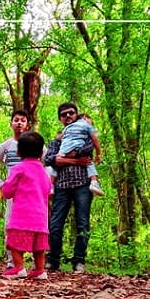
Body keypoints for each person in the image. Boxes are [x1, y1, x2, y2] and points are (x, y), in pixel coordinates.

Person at [44, 102, 96, 274]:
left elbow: (87, 150)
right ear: (60, 119)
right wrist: (74, 159)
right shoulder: (56, 141)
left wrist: (65, 157)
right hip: (61, 186)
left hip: (83, 184)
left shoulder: (86, 134)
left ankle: (79, 261)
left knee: (82, 223)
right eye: (64, 114)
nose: (68, 116)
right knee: (56, 223)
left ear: (76, 115)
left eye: (71, 113)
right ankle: (53, 260)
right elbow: (51, 159)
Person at [0, 131, 51, 280]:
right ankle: (40, 270)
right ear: (42, 152)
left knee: (15, 242)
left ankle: (18, 268)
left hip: (22, 215)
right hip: (41, 216)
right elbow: (48, 189)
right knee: (39, 246)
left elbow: (8, 191)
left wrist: (3, 189)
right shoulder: (43, 170)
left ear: (19, 151)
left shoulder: (18, 168)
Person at [0, 110, 30, 268]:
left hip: (30, 193)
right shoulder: (5, 146)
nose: (19, 123)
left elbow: (46, 163)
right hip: (12, 192)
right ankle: (12, 262)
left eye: (22, 120)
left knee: (31, 225)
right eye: (16, 120)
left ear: (27, 124)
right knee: (10, 223)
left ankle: (33, 262)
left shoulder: (34, 144)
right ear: (11, 123)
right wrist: (1, 184)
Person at [46, 112, 104, 196]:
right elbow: (49, 159)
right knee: (89, 162)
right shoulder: (86, 130)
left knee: (56, 165)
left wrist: (65, 156)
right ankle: (94, 181)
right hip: (63, 182)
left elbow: (59, 137)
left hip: (64, 151)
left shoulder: (68, 129)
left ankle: (51, 185)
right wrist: (98, 154)